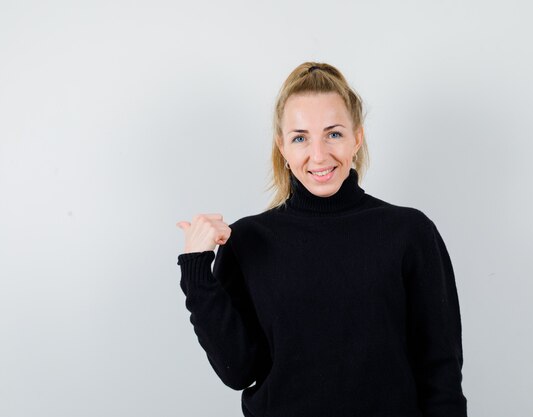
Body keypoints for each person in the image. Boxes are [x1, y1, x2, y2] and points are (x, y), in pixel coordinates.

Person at [175, 62, 467, 417]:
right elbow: (238, 370)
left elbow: (441, 373)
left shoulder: (409, 232)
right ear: (282, 147)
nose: (319, 155)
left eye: (334, 134)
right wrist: (195, 270)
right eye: (300, 137)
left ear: (357, 138)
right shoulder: (248, 240)